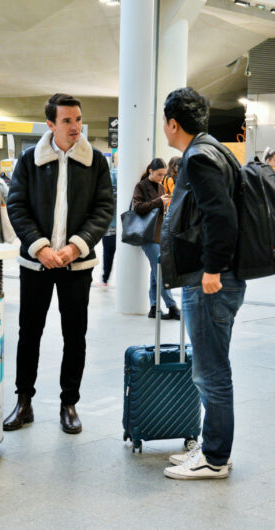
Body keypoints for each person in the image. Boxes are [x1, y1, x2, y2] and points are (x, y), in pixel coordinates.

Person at [3, 93, 114, 434]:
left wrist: (76, 247)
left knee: (75, 335)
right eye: (67, 121)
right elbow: (17, 205)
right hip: (37, 263)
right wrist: (40, 248)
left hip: (76, 266)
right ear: (50, 124)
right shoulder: (29, 160)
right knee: (29, 334)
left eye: (78, 120)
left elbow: (103, 209)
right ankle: (24, 402)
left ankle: (69, 403)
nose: (75, 127)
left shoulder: (95, 161)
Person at [161, 87, 246, 480]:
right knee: (212, 367)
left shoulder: (198, 157)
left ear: (173, 123)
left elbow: (221, 217)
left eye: (165, 121)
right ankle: (213, 447)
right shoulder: (216, 149)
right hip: (220, 277)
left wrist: (211, 270)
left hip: (211, 281)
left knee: (210, 372)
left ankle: (214, 457)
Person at [132, 158, 180, 320]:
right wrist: (158, 201)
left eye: (164, 175)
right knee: (160, 269)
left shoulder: (160, 187)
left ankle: (154, 307)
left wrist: (165, 204)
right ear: (151, 171)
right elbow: (137, 207)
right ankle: (172, 306)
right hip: (147, 234)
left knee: (155, 271)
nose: (162, 178)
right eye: (159, 174)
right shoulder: (141, 186)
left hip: (159, 234)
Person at [101, 152, 118, 286]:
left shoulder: (110, 176)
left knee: (108, 252)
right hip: (125, 223)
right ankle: (106, 277)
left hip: (109, 222)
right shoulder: (130, 176)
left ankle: (105, 278)